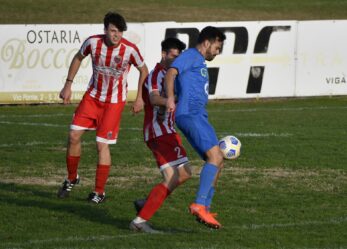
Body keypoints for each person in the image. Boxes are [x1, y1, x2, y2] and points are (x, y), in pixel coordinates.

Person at [57, 11, 148, 204]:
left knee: (101, 145)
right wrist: (68, 84)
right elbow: (77, 58)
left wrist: (140, 97)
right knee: (73, 136)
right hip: (92, 98)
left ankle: (99, 192)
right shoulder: (92, 42)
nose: (117, 35)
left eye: (120, 32)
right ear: (105, 30)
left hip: (114, 103)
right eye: (113, 31)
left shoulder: (130, 50)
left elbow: (144, 70)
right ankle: (72, 178)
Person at [165, 26, 226, 229]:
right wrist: (171, 98)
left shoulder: (198, 61)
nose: (217, 52)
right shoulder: (191, 55)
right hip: (189, 114)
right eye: (217, 47)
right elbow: (171, 72)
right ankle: (199, 204)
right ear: (208, 42)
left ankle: (205, 208)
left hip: (200, 115)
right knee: (215, 157)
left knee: (218, 160)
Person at [129, 37, 191, 233]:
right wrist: (168, 101)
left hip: (167, 132)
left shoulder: (172, 75)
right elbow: (154, 97)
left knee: (182, 174)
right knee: (178, 175)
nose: (177, 60)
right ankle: (139, 222)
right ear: (164, 54)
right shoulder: (156, 74)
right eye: (173, 56)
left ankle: (146, 204)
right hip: (159, 132)